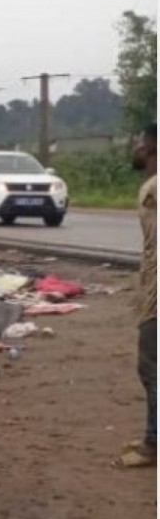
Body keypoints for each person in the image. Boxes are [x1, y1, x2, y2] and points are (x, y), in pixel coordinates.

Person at [117, 122, 156, 468]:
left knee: (150, 366)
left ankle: (153, 444)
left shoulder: (154, 190)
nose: (136, 148)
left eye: (141, 143)